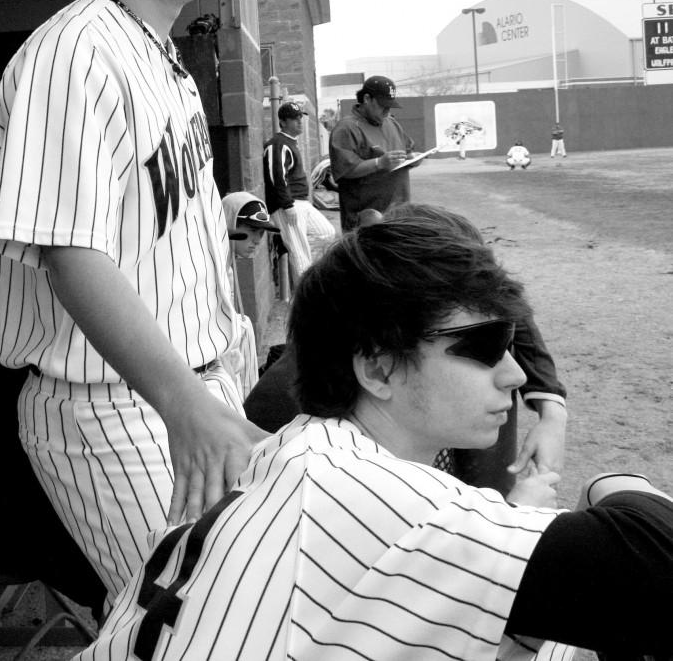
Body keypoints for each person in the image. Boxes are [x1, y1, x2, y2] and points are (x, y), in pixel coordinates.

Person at [72, 208, 673, 660]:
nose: (514, 375)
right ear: (379, 367)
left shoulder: (294, 451)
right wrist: (610, 484)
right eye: (484, 348)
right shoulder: (370, 494)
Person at [0, 0, 267, 600]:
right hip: (116, 410)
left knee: (244, 614)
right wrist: (184, 405)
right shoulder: (72, 53)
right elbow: (72, 254)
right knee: (201, 627)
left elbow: (143, 214)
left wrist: (221, 210)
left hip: (188, 389)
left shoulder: (159, 56)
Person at [245, 202, 568, 492]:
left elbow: (513, 323)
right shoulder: (308, 422)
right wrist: (512, 516)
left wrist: (552, 414)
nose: (515, 375)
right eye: (483, 345)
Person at [329, 75, 416, 230]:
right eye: (383, 105)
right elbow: (345, 170)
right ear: (367, 99)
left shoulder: (392, 123)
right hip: (366, 219)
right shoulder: (347, 128)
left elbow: (408, 151)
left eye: (390, 105)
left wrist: (413, 159)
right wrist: (379, 163)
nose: (387, 110)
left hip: (399, 214)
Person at [263, 100, 335, 283]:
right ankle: (305, 302)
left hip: (302, 203)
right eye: (295, 119)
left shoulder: (291, 143)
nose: (299, 122)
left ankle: (286, 243)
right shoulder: (277, 144)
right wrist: (287, 205)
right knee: (301, 258)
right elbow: (276, 176)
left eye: (300, 118)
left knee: (326, 233)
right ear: (283, 121)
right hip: (289, 204)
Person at [221, 192, 281, 400]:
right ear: (228, 223)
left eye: (261, 233)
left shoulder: (226, 261)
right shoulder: (214, 267)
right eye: (252, 230)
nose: (256, 240)